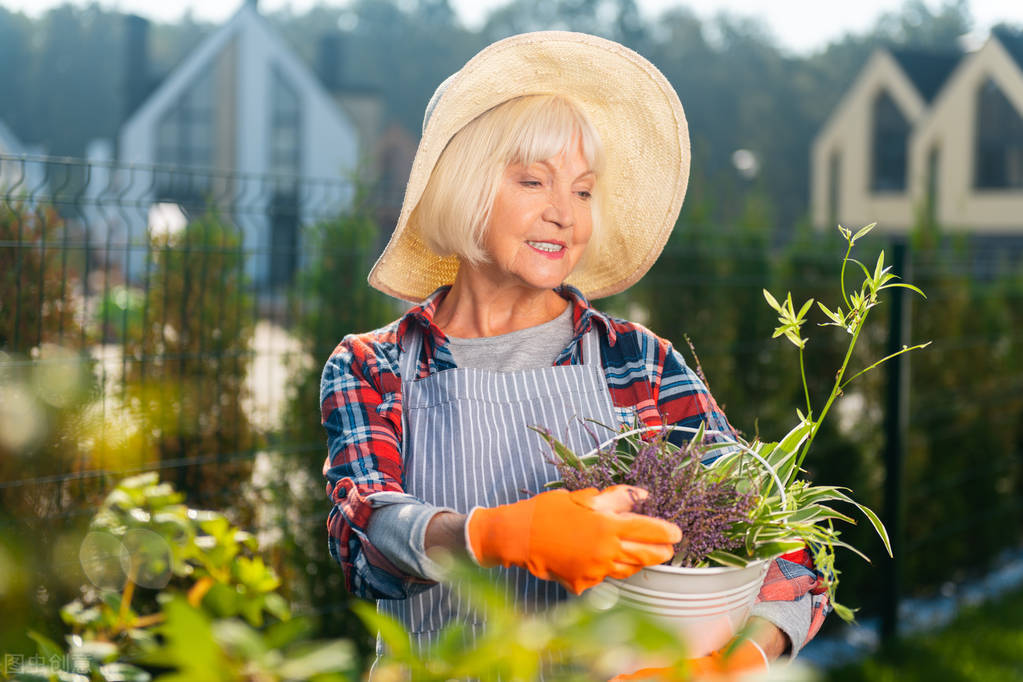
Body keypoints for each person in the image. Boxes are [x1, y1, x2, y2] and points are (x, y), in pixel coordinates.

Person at [321, 31, 829, 676]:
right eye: (534, 180)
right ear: (463, 186)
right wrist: (499, 536)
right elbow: (364, 544)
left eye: (584, 191)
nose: (565, 213)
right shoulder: (376, 365)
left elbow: (792, 559)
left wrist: (731, 662)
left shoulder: (637, 364)